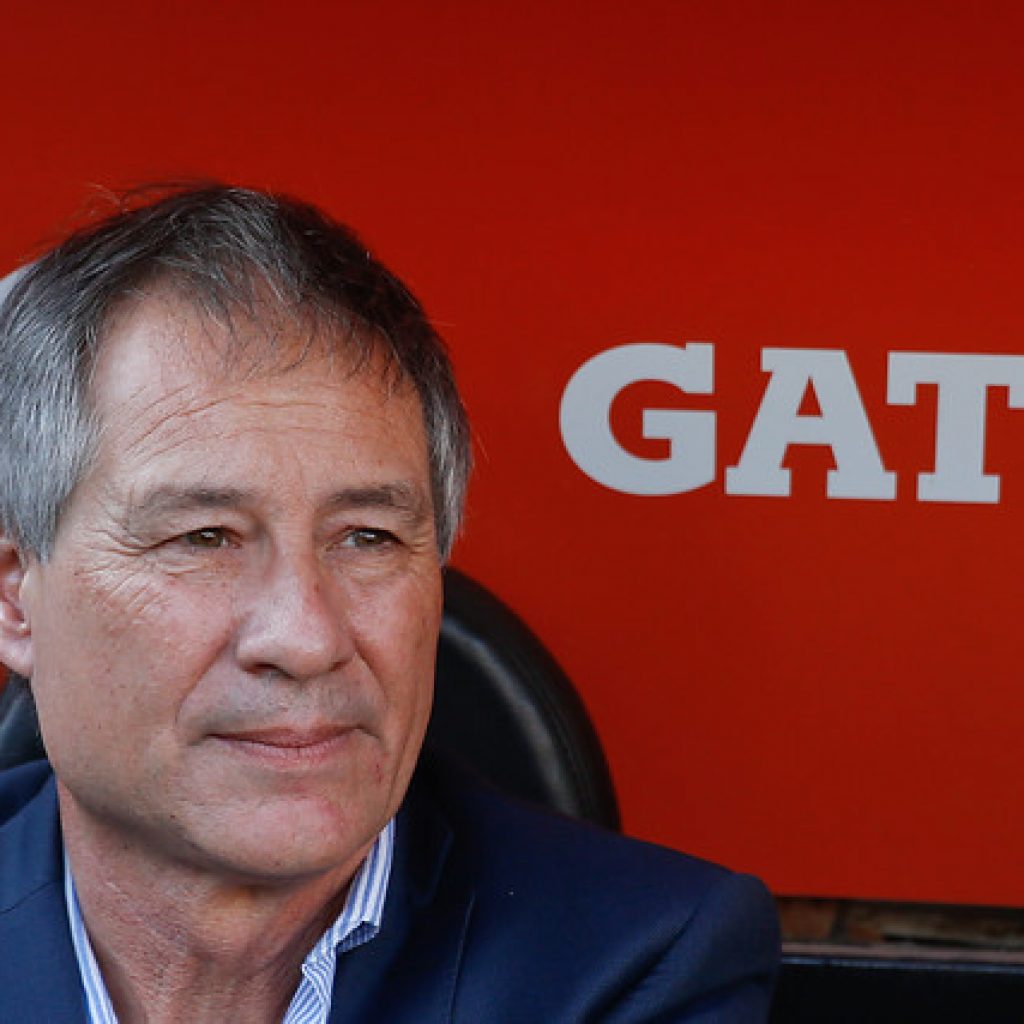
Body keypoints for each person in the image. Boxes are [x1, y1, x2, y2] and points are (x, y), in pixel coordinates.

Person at [0, 185, 779, 1023]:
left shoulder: (640, 969)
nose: (305, 637)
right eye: (204, 537)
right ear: (14, 598)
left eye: (368, 537)